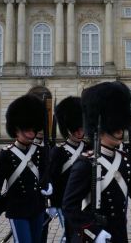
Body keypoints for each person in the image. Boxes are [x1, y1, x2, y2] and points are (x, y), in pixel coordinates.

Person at [62, 81, 131, 243]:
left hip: (119, 234)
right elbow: (69, 207)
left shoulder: (123, 160)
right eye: (115, 125)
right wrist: (92, 231)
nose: (120, 129)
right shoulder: (85, 163)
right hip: (94, 238)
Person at [0, 94, 53, 242]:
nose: (31, 133)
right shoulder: (6, 154)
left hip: (37, 207)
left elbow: (47, 174)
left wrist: (50, 188)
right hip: (17, 209)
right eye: (27, 129)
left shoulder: (40, 151)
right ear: (17, 130)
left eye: (33, 129)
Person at [47, 96, 87, 242]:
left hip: (86, 200)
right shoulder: (58, 152)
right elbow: (53, 179)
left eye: (81, 129)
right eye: (75, 129)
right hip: (64, 201)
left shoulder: (88, 148)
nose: (79, 132)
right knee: (72, 234)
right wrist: (52, 203)